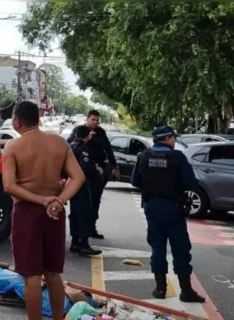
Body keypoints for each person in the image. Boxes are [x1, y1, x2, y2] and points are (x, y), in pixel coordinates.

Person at [2, 101, 85, 320]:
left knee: (32, 277)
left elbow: (9, 186)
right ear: (38, 119)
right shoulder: (59, 143)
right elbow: (78, 177)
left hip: (28, 212)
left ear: (17, 122)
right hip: (54, 214)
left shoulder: (13, 146)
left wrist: (40, 200)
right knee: (53, 274)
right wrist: (58, 200)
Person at [130, 126, 205, 303]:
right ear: (167, 138)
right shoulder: (178, 157)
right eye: (173, 138)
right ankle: (186, 291)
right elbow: (192, 184)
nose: (175, 141)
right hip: (173, 208)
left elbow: (135, 181)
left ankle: (159, 289)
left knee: (157, 247)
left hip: (151, 207)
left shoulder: (144, 155)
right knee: (180, 249)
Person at [67, 110, 117, 239]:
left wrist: (114, 166)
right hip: (82, 173)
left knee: (95, 201)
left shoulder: (100, 132)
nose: (95, 122)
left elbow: (108, 149)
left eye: (97, 120)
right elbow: (69, 146)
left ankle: (91, 228)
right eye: (93, 119)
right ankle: (78, 237)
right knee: (80, 205)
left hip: (97, 173)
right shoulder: (79, 132)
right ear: (87, 119)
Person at [68, 127, 103, 257]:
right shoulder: (82, 148)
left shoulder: (71, 146)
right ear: (87, 135)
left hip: (71, 184)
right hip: (81, 184)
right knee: (85, 213)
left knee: (75, 214)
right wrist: (96, 171)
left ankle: (75, 242)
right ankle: (84, 245)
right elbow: (86, 166)